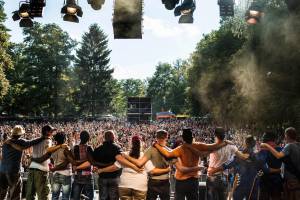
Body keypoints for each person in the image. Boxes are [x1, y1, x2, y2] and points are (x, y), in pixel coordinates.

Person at [153, 128, 227, 200]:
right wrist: (225, 143)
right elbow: (213, 146)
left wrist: (156, 145)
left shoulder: (180, 149)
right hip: (193, 180)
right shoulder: (198, 145)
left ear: (183, 138)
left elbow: (168, 154)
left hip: (181, 180)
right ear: (192, 137)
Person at [97, 135, 172, 200]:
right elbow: (152, 171)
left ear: (131, 144)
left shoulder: (125, 154)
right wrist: (167, 170)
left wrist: (102, 170)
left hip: (125, 185)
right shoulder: (144, 156)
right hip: (140, 186)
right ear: (141, 144)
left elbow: (114, 167)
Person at [77, 130, 142, 200]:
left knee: (103, 197)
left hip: (102, 178)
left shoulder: (98, 149)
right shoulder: (117, 148)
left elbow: (92, 161)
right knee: (114, 198)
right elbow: (120, 160)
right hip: (114, 178)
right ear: (113, 137)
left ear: (105, 138)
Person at [202, 127, 248, 200]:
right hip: (224, 177)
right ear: (224, 136)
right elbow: (242, 156)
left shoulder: (213, 146)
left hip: (212, 176)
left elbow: (203, 154)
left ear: (216, 136)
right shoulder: (231, 146)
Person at [0, 125, 45, 200]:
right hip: (13, 171)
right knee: (15, 194)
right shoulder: (20, 142)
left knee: (2, 193)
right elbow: (33, 142)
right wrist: (43, 137)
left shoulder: (6, 142)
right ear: (20, 134)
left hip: (2, 170)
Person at [261, 127, 300, 200]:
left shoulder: (288, 146)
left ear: (287, 136)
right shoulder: (287, 148)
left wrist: (267, 146)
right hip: (283, 182)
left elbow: (267, 169)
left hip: (269, 183)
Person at [26, 125, 56, 200]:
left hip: (32, 169)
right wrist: (38, 160)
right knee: (43, 195)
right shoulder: (48, 140)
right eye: (51, 131)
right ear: (46, 132)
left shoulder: (36, 140)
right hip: (41, 170)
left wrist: (33, 159)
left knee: (30, 194)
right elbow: (48, 154)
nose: (52, 133)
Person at [259, 131, 283, 200]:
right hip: (277, 183)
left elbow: (266, 170)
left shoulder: (262, 152)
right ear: (275, 140)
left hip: (265, 184)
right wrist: (279, 170)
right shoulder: (281, 150)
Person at [72, 131, 94, 200]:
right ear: (88, 138)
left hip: (77, 175)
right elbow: (92, 161)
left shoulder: (75, 147)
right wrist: (87, 160)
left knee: (75, 197)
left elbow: (73, 161)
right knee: (89, 197)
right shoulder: (89, 148)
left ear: (80, 138)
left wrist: (76, 165)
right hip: (87, 176)